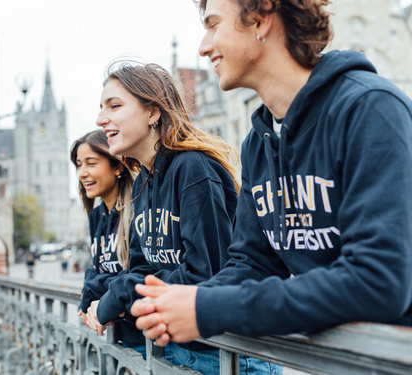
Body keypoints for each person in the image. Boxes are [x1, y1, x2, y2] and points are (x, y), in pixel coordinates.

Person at [130, 0, 412, 348]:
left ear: (261, 19)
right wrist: (177, 300)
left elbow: (378, 281)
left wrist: (209, 309)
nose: (203, 47)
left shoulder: (370, 109)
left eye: (214, 26)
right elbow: (253, 263)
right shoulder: (258, 143)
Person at [89, 62, 279, 375]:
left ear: (153, 113)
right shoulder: (143, 182)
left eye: (115, 105)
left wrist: (119, 296)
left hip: (226, 354)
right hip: (177, 350)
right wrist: (106, 295)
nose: (100, 119)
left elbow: (205, 276)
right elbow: (143, 267)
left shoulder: (194, 169)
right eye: (101, 107)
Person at [70, 130, 144, 350]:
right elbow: (104, 274)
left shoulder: (138, 208)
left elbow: (139, 276)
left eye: (91, 163)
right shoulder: (96, 216)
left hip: (149, 342)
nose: (82, 173)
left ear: (118, 166)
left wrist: (94, 284)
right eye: (79, 165)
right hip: (118, 338)